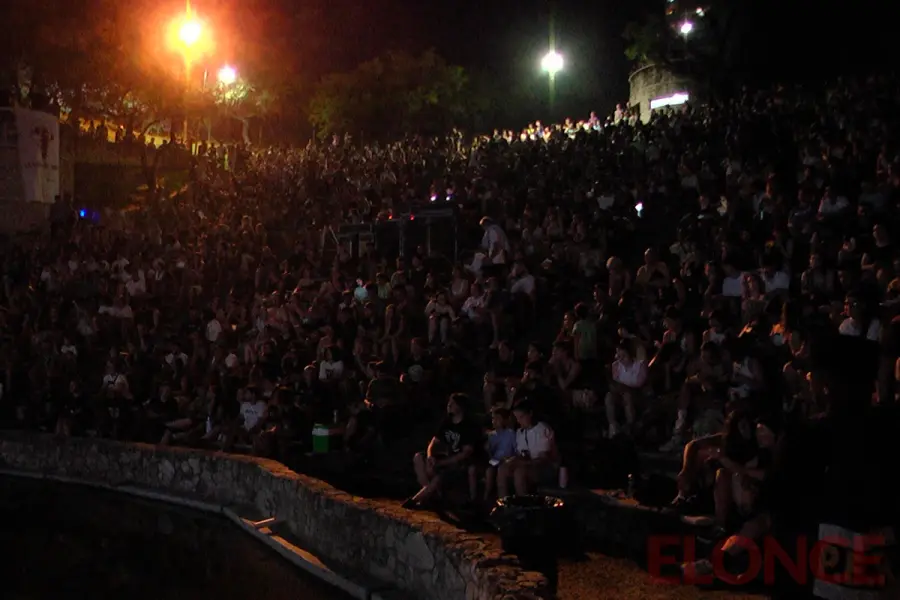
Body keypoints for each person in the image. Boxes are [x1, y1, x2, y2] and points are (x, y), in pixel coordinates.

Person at [404, 393, 482, 509]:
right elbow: (433, 442)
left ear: (461, 407)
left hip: (456, 461)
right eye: (449, 402)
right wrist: (430, 457)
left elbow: (465, 454)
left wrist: (440, 463)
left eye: (453, 403)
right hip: (442, 456)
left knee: (439, 476)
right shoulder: (447, 421)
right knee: (418, 457)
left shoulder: (469, 426)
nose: (449, 405)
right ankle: (428, 492)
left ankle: (416, 499)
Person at [497, 401, 558, 497]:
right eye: (517, 418)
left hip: (545, 467)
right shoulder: (520, 432)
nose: (519, 421)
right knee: (502, 469)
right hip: (528, 465)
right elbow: (522, 454)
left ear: (530, 414)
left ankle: (523, 505)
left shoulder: (542, 429)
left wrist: (524, 463)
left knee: (519, 473)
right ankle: (504, 503)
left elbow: (543, 459)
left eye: (521, 417)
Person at [482, 407, 516, 502]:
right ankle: (486, 497)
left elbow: (516, 450)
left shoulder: (511, 434)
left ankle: (503, 501)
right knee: (489, 471)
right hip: (495, 461)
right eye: (493, 418)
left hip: (507, 460)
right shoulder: (491, 435)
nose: (494, 421)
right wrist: (488, 449)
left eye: (498, 418)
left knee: (501, 471)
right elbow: (490, 454)